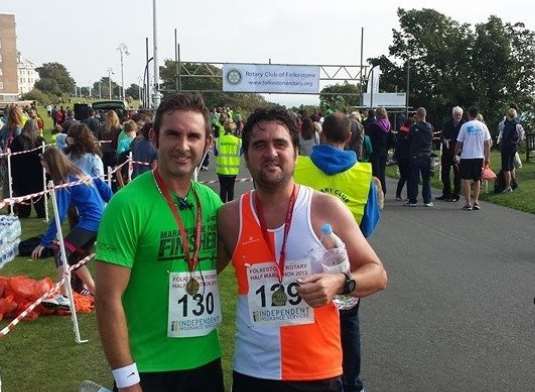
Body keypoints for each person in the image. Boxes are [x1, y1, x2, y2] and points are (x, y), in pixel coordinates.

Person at [217, 107, 387, 392]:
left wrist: (340, 282)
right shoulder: (229, 217)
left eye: (280, 144)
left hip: (317, 371)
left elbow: (378, 274)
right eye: (259, 145)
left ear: (296, 153)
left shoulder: (325, 208)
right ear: (246, 157)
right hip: (253, 371)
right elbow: (203, 273)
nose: (271, 153)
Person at [95, 94, 224, 392]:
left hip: (206, 365)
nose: (183, 146)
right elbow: (107, 299)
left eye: (194, 136)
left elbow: (218, 261)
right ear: (155, 137)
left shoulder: (211, 203)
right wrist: (127, 381)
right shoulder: (127, 204)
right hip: (147, 370)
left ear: (207, 143)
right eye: (173, 134)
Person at [294, 112, 381, 392]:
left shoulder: (299, 168)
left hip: (299, 263)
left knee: (302, 325)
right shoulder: (363, 176)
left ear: (321, 134)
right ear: (349, 137)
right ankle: (351, 383)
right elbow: (368, 224)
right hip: (346, 267)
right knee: (347, 326)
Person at [31, 147, 112, 303]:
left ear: (53, 165)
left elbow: (60, 215)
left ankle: (64, 296)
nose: (46, 171)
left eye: (47, 168)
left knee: (60, 251)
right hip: (98, 219)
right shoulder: (79, 172)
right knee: (74, 257)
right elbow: (104, 189)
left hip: (90, 222)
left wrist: (44, 242)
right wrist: (113, 202)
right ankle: (95, 291)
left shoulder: (65, 181)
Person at [455, 107, 492, 211]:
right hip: (479, 156)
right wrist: (487, 157)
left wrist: (455, 153)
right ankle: (476, 201)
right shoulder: (483, 126)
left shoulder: (465, 126)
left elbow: (459, 142)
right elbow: (487, 143)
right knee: (477, 179)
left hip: (466, 156)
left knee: (466, 179)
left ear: (468, 114)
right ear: (476, 114)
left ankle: (468, 203)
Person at [10, 119, 46, 218]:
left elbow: (13, 158)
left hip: (24, 174)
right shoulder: (39, 141)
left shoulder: (18, 140)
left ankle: (27, 213)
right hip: (33, 173)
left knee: (26, 194)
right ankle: (40, 212)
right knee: (37, 194)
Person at [406, 107, 434, 207]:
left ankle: (413, 200)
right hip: (427, 155)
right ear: (425, 115)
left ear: (418, 115)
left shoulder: (414, 127)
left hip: (415, 156)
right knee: (426, 179)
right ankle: (427, 200)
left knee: (414, 179)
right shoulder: (430, 127)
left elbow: (409, 140)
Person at [437, 106, 465, 202]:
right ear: (453, 115)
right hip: (447, 151)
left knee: (457, 174)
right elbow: (442, 136)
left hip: (458, 152)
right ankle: (446, 193)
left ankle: (456, 194)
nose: (458, 117)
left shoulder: (464, 125)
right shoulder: (447, 124)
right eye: (456, 115)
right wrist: (444, 140)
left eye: (460, 115)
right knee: (445, 172)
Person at [215, 119, 242, 202]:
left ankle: (222, 208)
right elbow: (239, 153)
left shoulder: (219, 140)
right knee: (231, 190)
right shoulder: (238, 141)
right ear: (233, 129)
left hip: (222, 170)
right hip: (233, 170)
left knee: (222, 190)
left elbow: (216, 153)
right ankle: (230, 209)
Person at [365, 107, 390, 195]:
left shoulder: (374, 126)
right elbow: (391, 140)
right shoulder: (388, 125)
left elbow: (369, 139)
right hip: (384, 152)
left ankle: (376, 191)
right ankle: (383, 190)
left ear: (377, 115)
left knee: (376, 173)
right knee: (382, 172)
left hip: (375, 151)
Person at [498, 108, 523, 193]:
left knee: (506, 168)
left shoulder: (504, 124)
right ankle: (514, 182)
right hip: (513, 147)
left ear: (507, 115)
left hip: (506, 147)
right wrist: (517, 142)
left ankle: (508, 186)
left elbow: (501, 134)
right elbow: (521, 136)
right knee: (511, 166)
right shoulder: (517, 125)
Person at [394, 114, 413, 201]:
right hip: (408, 157)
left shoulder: (400, 132)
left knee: (403, 176)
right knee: (409, 177)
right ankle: (409, 196)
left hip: (400, 156)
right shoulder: (411, 133)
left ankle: (398, 194)